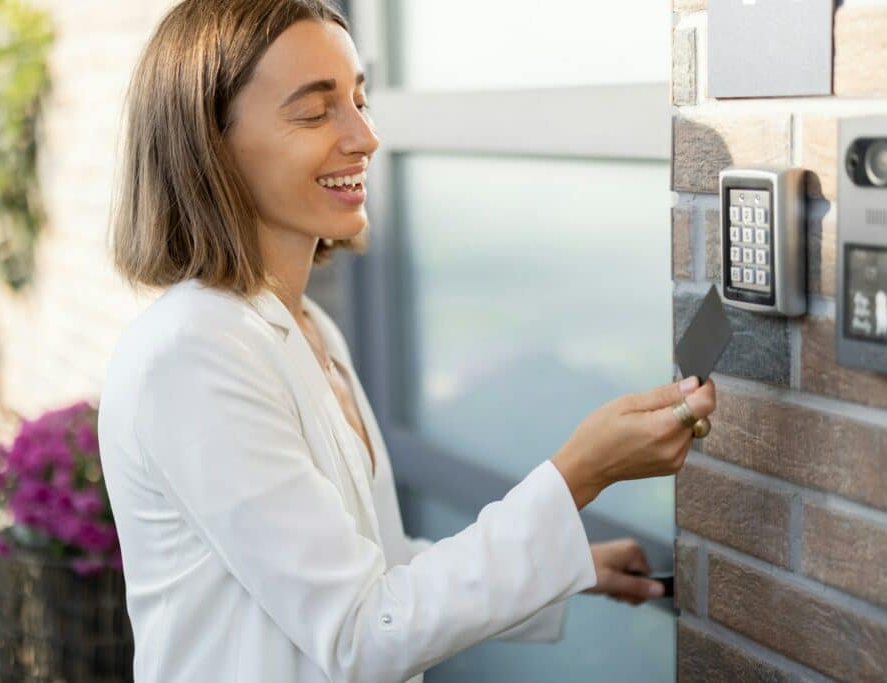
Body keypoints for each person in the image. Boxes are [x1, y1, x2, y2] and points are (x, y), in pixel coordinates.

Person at [96, 1, 718, 681]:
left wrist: (570, 563)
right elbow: (364, 629)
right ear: (208, 146)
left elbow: (373, 565)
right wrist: (578, 475)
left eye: (360, 99)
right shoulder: (192, 354)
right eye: (315, 110)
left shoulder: (308, 330)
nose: (363, 135)